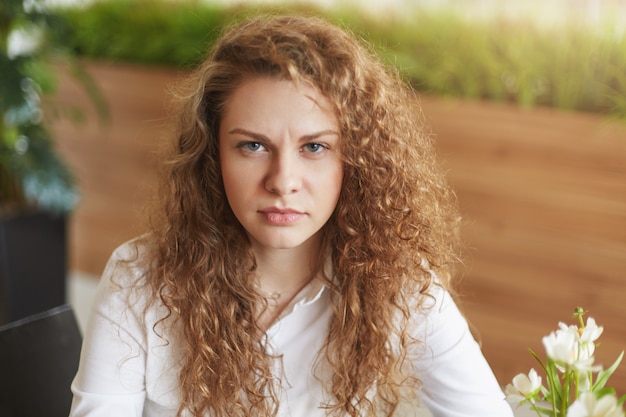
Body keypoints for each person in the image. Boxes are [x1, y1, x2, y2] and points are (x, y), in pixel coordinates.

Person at [69, 14, 514, 417]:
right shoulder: (139, 279)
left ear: (355, 160)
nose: (283, 181)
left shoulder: (399, 286)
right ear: (213, 156)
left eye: (314, 147)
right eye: (253, 145)